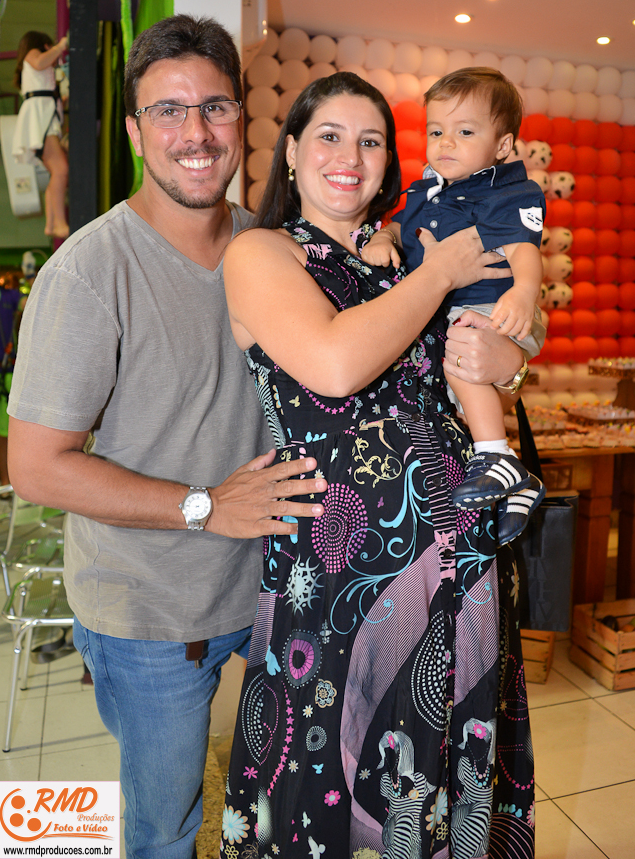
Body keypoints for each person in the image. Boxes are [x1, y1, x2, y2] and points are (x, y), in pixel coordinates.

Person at [6, 14, 334, 859]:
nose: (196, 133)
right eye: (169, 111)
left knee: (289, 803)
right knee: (166, 829)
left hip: (274, 592)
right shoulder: (90, 273)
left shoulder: (273, 250)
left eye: (215, 108)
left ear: (241, 121)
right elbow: (36, 467)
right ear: (133, 131)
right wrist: (204, 505)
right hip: (149, 615)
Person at [220, 72, 536, 859]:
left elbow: (488, 337)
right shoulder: (263, 253)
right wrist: (437, 274)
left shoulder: (408, 249)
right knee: (327, 772)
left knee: (451, 780)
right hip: (341, 571)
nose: (350, 157)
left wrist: (510, 361)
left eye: (371, 141)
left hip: (462, 553)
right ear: (292, 150)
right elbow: (334, 366)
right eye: (329, 136)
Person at [363, 67, 547, 538]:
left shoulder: (505, 191)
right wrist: (384, 238)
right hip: (458, 315)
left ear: (502, 145)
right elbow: (402, 225)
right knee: (456, 383)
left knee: (461, 358)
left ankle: (495, 456)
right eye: (436, 131)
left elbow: (524, 249)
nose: (445, 142)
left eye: (465, 132)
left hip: (496, 306)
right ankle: (518, 482)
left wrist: (524, 291)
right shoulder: (428, 190)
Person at [12, 31, 70, 240]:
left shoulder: (42, 75)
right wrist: (61, 46)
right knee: (61, 170)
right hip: (39, 120)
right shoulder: (33, 55)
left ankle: (52, 224)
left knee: (57, 171)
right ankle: (59, 223)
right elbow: (39, 62)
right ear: (44, 45)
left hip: (44, 119)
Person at [0, 262, 21, 488]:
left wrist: (31, 277)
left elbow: (29, 302)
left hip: (4, 373)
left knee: (6, 435)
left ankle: (5, 484)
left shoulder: (8, 296)